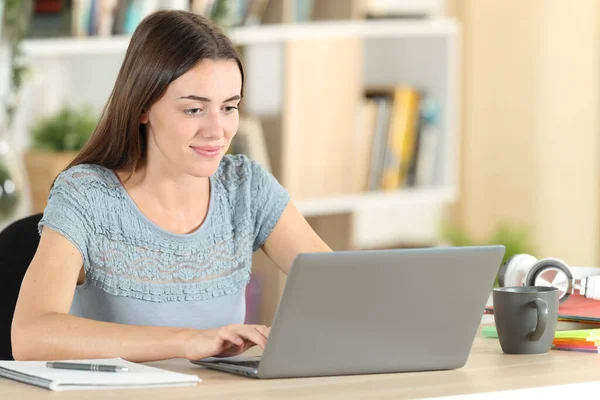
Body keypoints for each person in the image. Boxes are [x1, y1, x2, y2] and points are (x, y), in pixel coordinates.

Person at [11, 10, 331, 362]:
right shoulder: (85, 195)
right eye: (194, 110)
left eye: (229, 107)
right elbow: (31, 334)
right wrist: (187, 341)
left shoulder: (245, 188)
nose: (217, 130)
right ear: (143, 107)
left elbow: (344, 287)